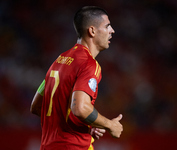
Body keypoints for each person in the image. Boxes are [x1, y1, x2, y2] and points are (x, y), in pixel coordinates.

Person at [30, 6, 123, 150]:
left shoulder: (58, 61)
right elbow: (80, 108)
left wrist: (84, 126)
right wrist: (110, 125)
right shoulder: (88, 64)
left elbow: (36, 106)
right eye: (107, 26)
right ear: (92, 31)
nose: (112, 31)